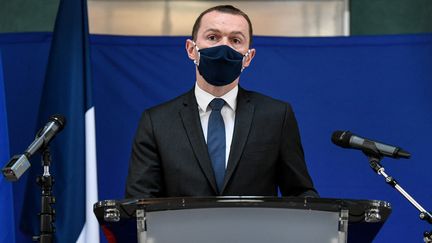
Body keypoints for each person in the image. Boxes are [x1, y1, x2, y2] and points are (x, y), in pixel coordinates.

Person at [125, 5, 318, 198]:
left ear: (248, 57)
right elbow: (140, 203)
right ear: (191, 49)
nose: (224, 47)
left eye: (235, 40)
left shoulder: (276, 116)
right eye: (212, 37)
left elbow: (300, 193)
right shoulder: (157, 122)